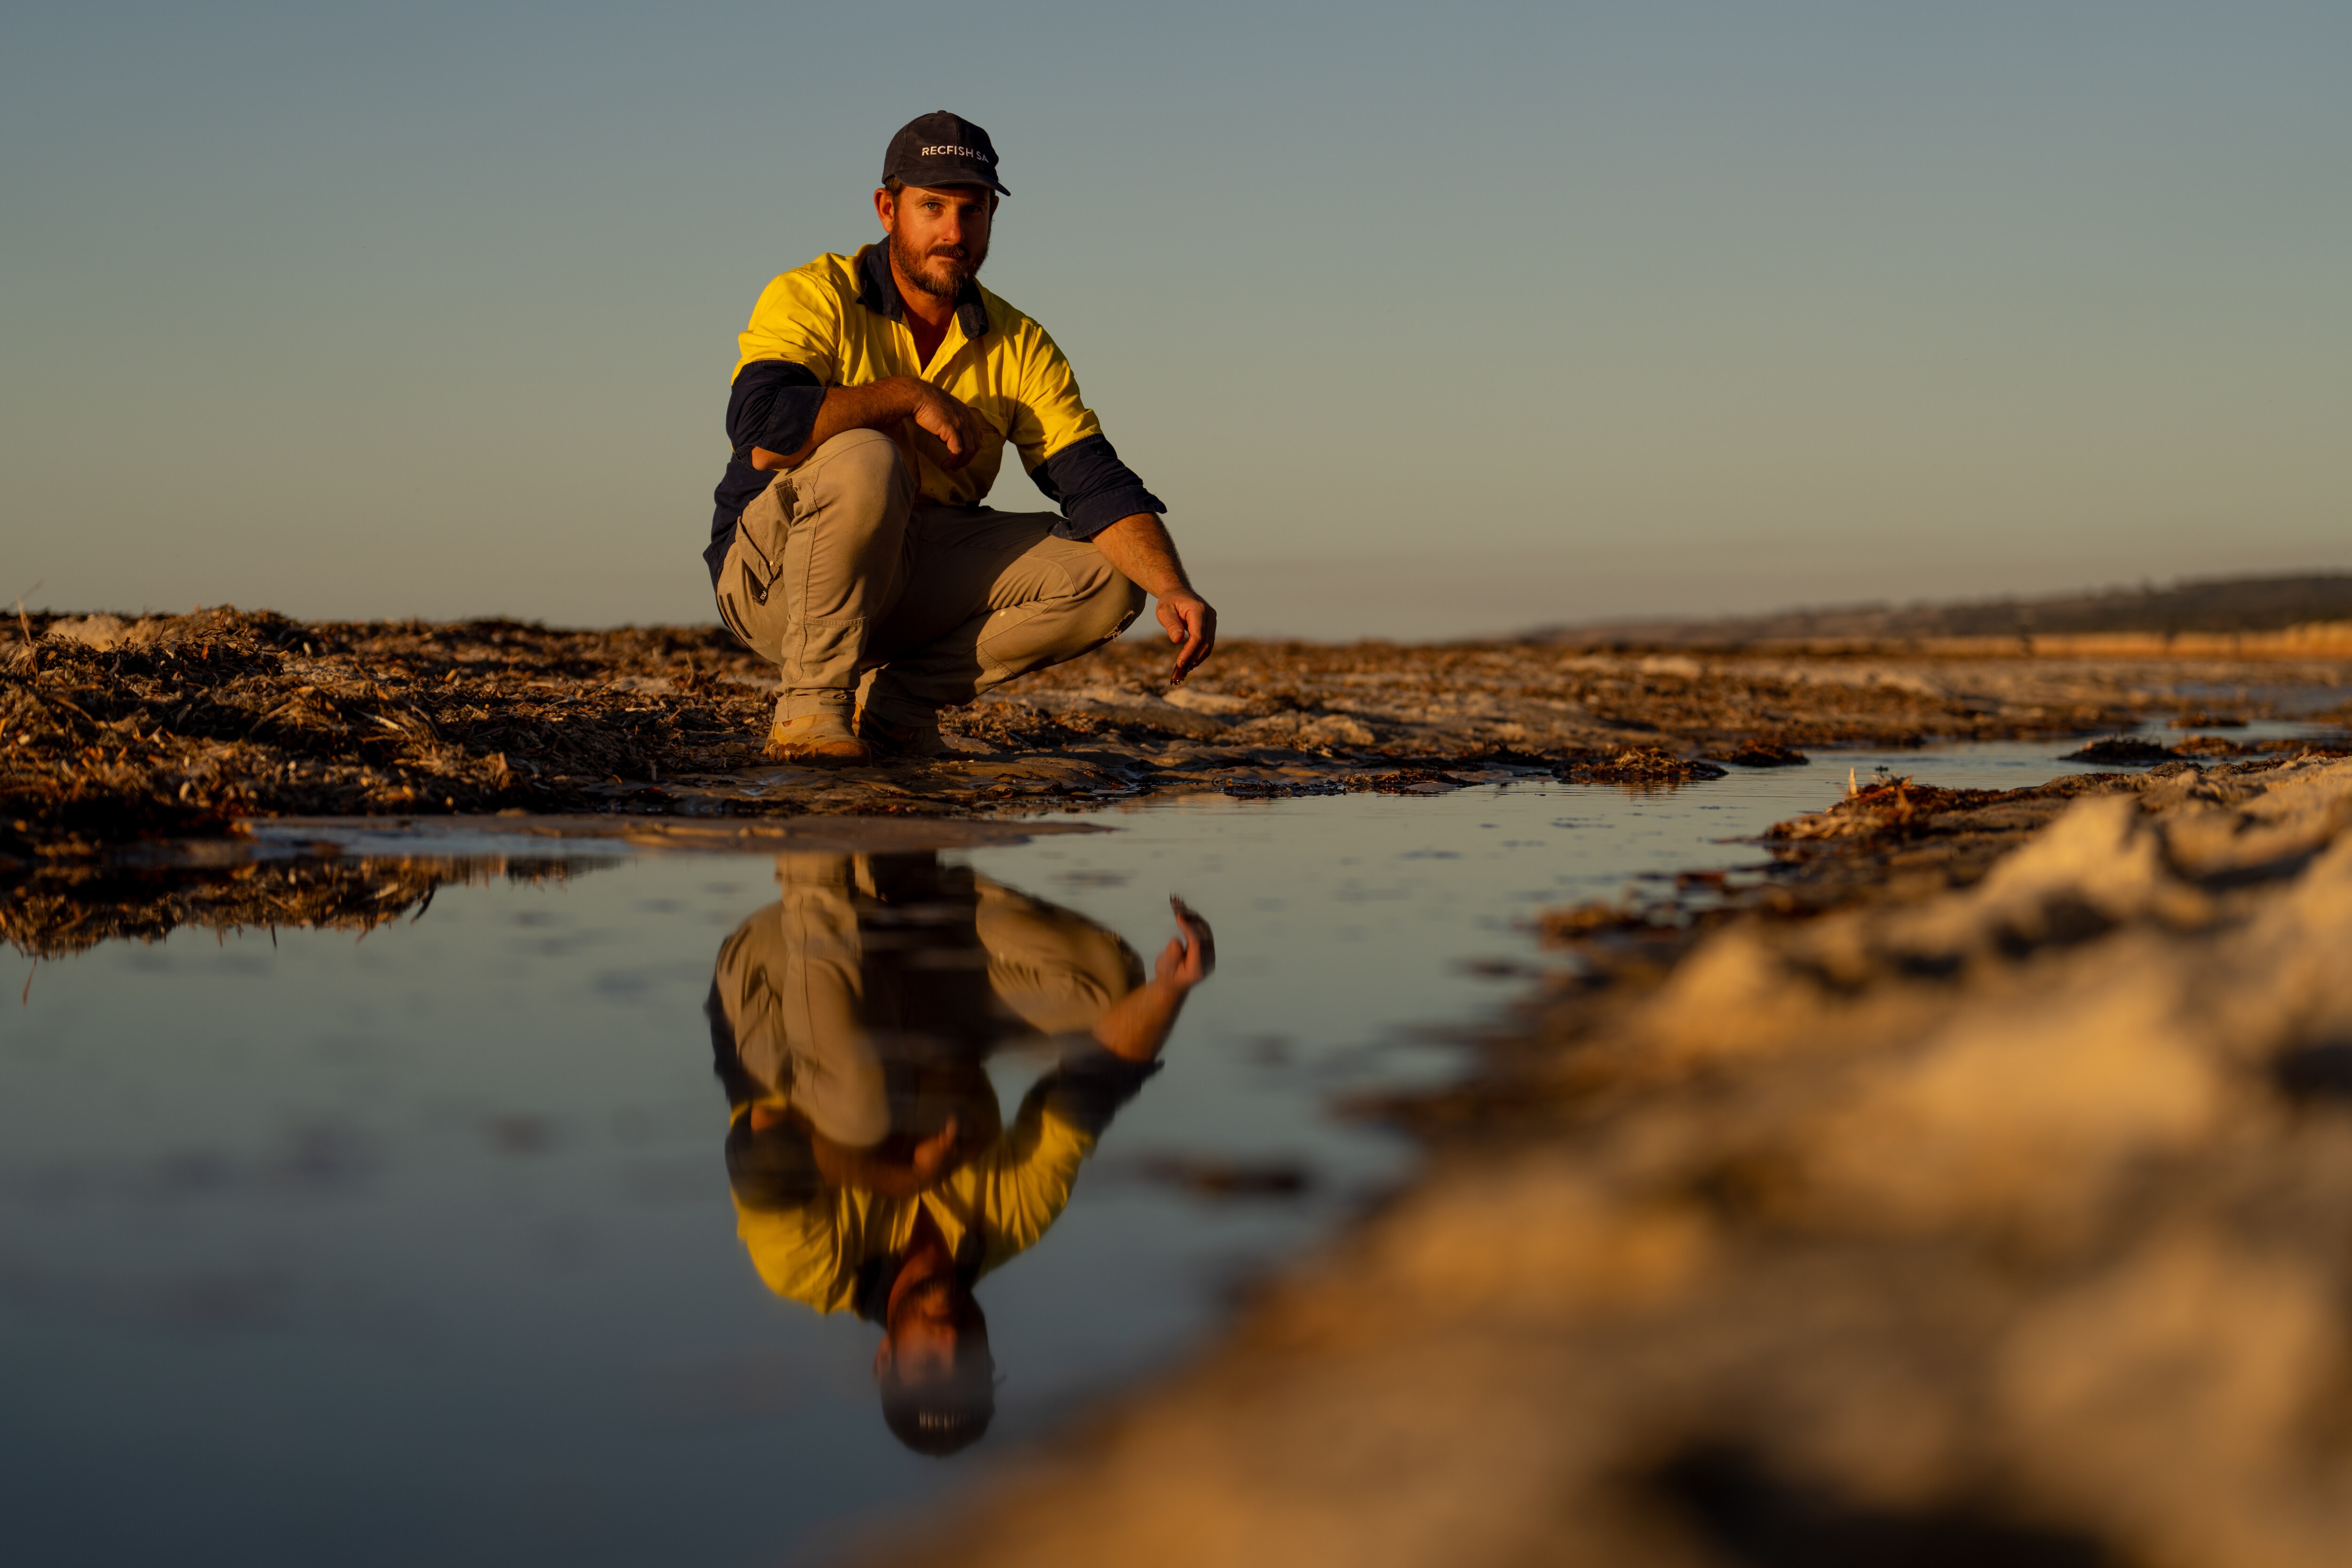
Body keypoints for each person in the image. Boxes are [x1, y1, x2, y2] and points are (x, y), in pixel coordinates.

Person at [707, 111, 1219, 765]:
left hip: (910, 576)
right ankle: (809, 711)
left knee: (1110, 576)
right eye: (932, 208)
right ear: (887, 209)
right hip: (774, 585)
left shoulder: (1020, 340)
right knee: (871, 453)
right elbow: (761, 433)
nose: (954, 233)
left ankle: (898, 711)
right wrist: (906, 395)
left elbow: (1093, 481)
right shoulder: (814, 294)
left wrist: (1174, 585)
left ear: (991, 219)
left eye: (972, 212)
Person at [705, 852, 1216, 1454]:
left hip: (779, 973)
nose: (950, 1346)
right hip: (915, 981)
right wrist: (1171, 991)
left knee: (860, 1118)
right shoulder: (1011, 1221)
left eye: (928, 1368)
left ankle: (816, 847)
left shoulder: (812, 1272)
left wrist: (894, 1176)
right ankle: (902, 872)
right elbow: (1093, 1085)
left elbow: (763, 1142)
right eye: (971, 1367)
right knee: (1107, 992)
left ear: (884, 1360)